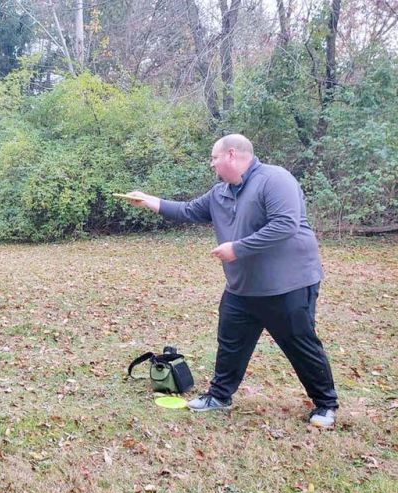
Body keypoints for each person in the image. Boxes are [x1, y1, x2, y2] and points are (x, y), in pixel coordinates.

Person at [122, 134, 339, 428]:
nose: (212, 164)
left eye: (214, 158)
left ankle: (326, 404)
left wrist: (237, 248)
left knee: (300, 344)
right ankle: (220, 396)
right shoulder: (220, 193)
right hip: (242, 288)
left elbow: (285, 225)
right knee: (231, 343)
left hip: (287, 284)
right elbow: (188, 210)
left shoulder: (275, 179)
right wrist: (149, 201)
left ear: (232, 155)